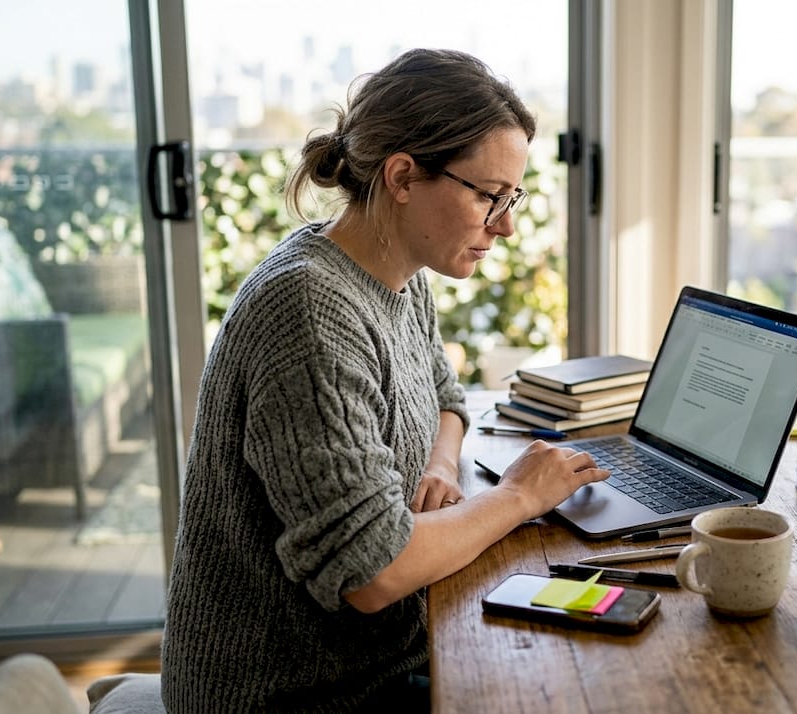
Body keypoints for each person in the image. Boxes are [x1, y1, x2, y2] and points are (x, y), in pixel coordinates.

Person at [160, 48, 609, 712]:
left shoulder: (396, 275)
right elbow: (372, 571)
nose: (507, 225)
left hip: (374, 660)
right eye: (490, 195)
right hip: (294, 694)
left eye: (512, 197)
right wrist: (516, 497)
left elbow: (448, 399)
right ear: (403, 175)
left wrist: (443, 466)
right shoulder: (308, 309)